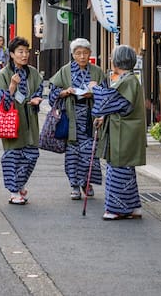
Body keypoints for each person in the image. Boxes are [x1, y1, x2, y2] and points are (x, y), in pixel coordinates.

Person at [48, 38, 107, 200]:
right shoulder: (65, 71)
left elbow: (107, 94)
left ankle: (87, 183)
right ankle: (74, 185)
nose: (82, 56)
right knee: (73, 153)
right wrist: (65, 92)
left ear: (90, 54)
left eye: (85, 53)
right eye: (78, 53)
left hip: (90, 118)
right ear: (73, 55)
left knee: (90, 153)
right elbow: (53, 91)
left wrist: (94, 93)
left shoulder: (96, 71)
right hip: (71, 117)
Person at [92, 45, 147, 220]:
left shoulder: (127, 81)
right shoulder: (128, 79)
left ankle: (116, 209)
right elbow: (119, 106)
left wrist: (95, 89)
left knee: (118, 169)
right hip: (125, 131)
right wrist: (104, 118)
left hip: (124, 133)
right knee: (125, 170)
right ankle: (132, 207)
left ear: (117, 61)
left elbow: (111, 102)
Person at [0, 36, 42, 205]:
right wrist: (12, 87)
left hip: (30, 121)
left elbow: (39, 90)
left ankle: (19, 185)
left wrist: (37, 99)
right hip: (11, 122)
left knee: (32, 154)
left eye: (26, 51)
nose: (24, 55)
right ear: (12, 54)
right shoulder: (4, 75)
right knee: (13, 156)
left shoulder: (33, 73)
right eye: (20, 51)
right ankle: (14, 192)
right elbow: (1, 104)